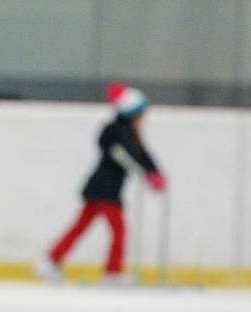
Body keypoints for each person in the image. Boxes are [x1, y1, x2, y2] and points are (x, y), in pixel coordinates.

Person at [38, 82, 166, 284]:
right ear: (132, 113)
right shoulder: (115, 132)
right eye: (142, 113)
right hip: (104, 189)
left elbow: (143, 155)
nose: (145, 117)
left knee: (82, 226)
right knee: (117, 230)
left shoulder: (129, 133)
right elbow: (128, 157)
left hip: (104, 189)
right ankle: (112, 272)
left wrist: (154, 172)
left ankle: (52, 260)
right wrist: (146, 174)